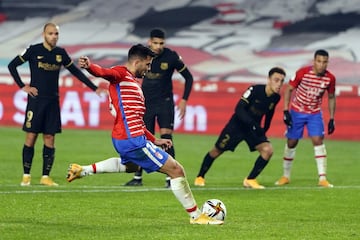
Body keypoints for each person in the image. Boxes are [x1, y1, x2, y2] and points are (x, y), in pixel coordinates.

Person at [67, 44, 222, 225]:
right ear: (137, 61)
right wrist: (90, 67)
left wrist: (154, 140)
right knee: (176, 170)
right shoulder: (121, 74)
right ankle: (197, 217)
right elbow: (105, 72)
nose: (149, 69)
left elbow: (137, 121)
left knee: (131, 167)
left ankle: (83, 170)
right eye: (147, 65)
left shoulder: (132, 83)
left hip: (124, 137)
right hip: (132, 139)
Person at [8, 22, 103, 187]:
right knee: (31, 137)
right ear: (44, 34)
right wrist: (23, 86)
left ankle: (45, 177)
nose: (54, 36)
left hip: (52, 102)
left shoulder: (60, 53)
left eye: (56, 34)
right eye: (51, 33)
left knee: (50, 138)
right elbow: (12, 65)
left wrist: (94, 88)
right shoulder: (33, 50)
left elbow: (75, 72)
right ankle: (26, 176)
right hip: (36, 101)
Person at [194, 67, 286, 189]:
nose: (279, 84)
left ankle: (250, 179)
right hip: (237, 126)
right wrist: (252, 123)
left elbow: (269, 113)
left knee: (268, 150)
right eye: (276, 80)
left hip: (252, 129)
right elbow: (239, 109)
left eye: (281, 81)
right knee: (217, 150)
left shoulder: (276, 97)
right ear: (268, 79)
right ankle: (200, 177)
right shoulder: (254, 90)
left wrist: (264, 129)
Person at [124, 28, 193, 188]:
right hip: (146, 104)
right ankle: (137, 177)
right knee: (143, 140)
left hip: (165, 103)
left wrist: (184, 100)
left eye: (161, 43)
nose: (158, 46)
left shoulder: (171, 56)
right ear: (150, 42)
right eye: (155, 43)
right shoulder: (144, 56)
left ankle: (171, 178)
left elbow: (188, 77)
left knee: (166, 138)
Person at [275, 49, 336, 188]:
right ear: (314, 61)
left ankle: (322, 178)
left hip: (314, 113)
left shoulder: (330, 78)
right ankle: (285, 176)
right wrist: (286, 110)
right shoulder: (302, 72)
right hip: (297, 111)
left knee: (317, 140)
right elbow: (289, 89)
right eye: (319, 61)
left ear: (327, 63)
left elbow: (331, 97)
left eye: (324, 62)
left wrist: (332, 118)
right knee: (292, 142)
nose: (321, 65)